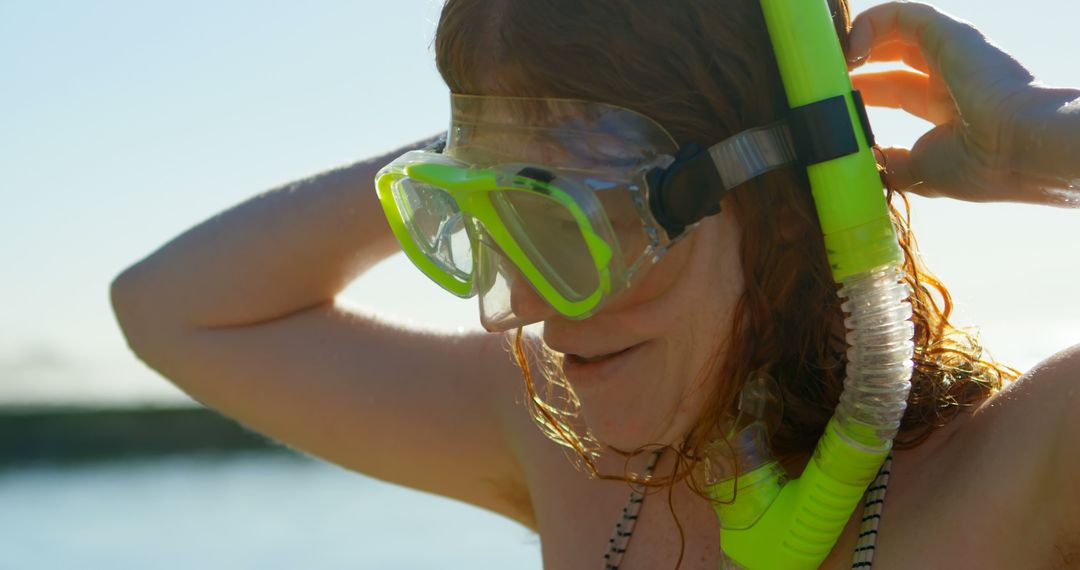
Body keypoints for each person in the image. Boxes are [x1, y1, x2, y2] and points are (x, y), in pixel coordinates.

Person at [111, 1, 1080, 568]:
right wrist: (508, 133)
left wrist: (1054, 139)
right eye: (492, 217)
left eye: (579, 223)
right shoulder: (555, 435)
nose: (527, 305)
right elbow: (173, 308)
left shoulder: (1029, 467)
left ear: (791, 196)